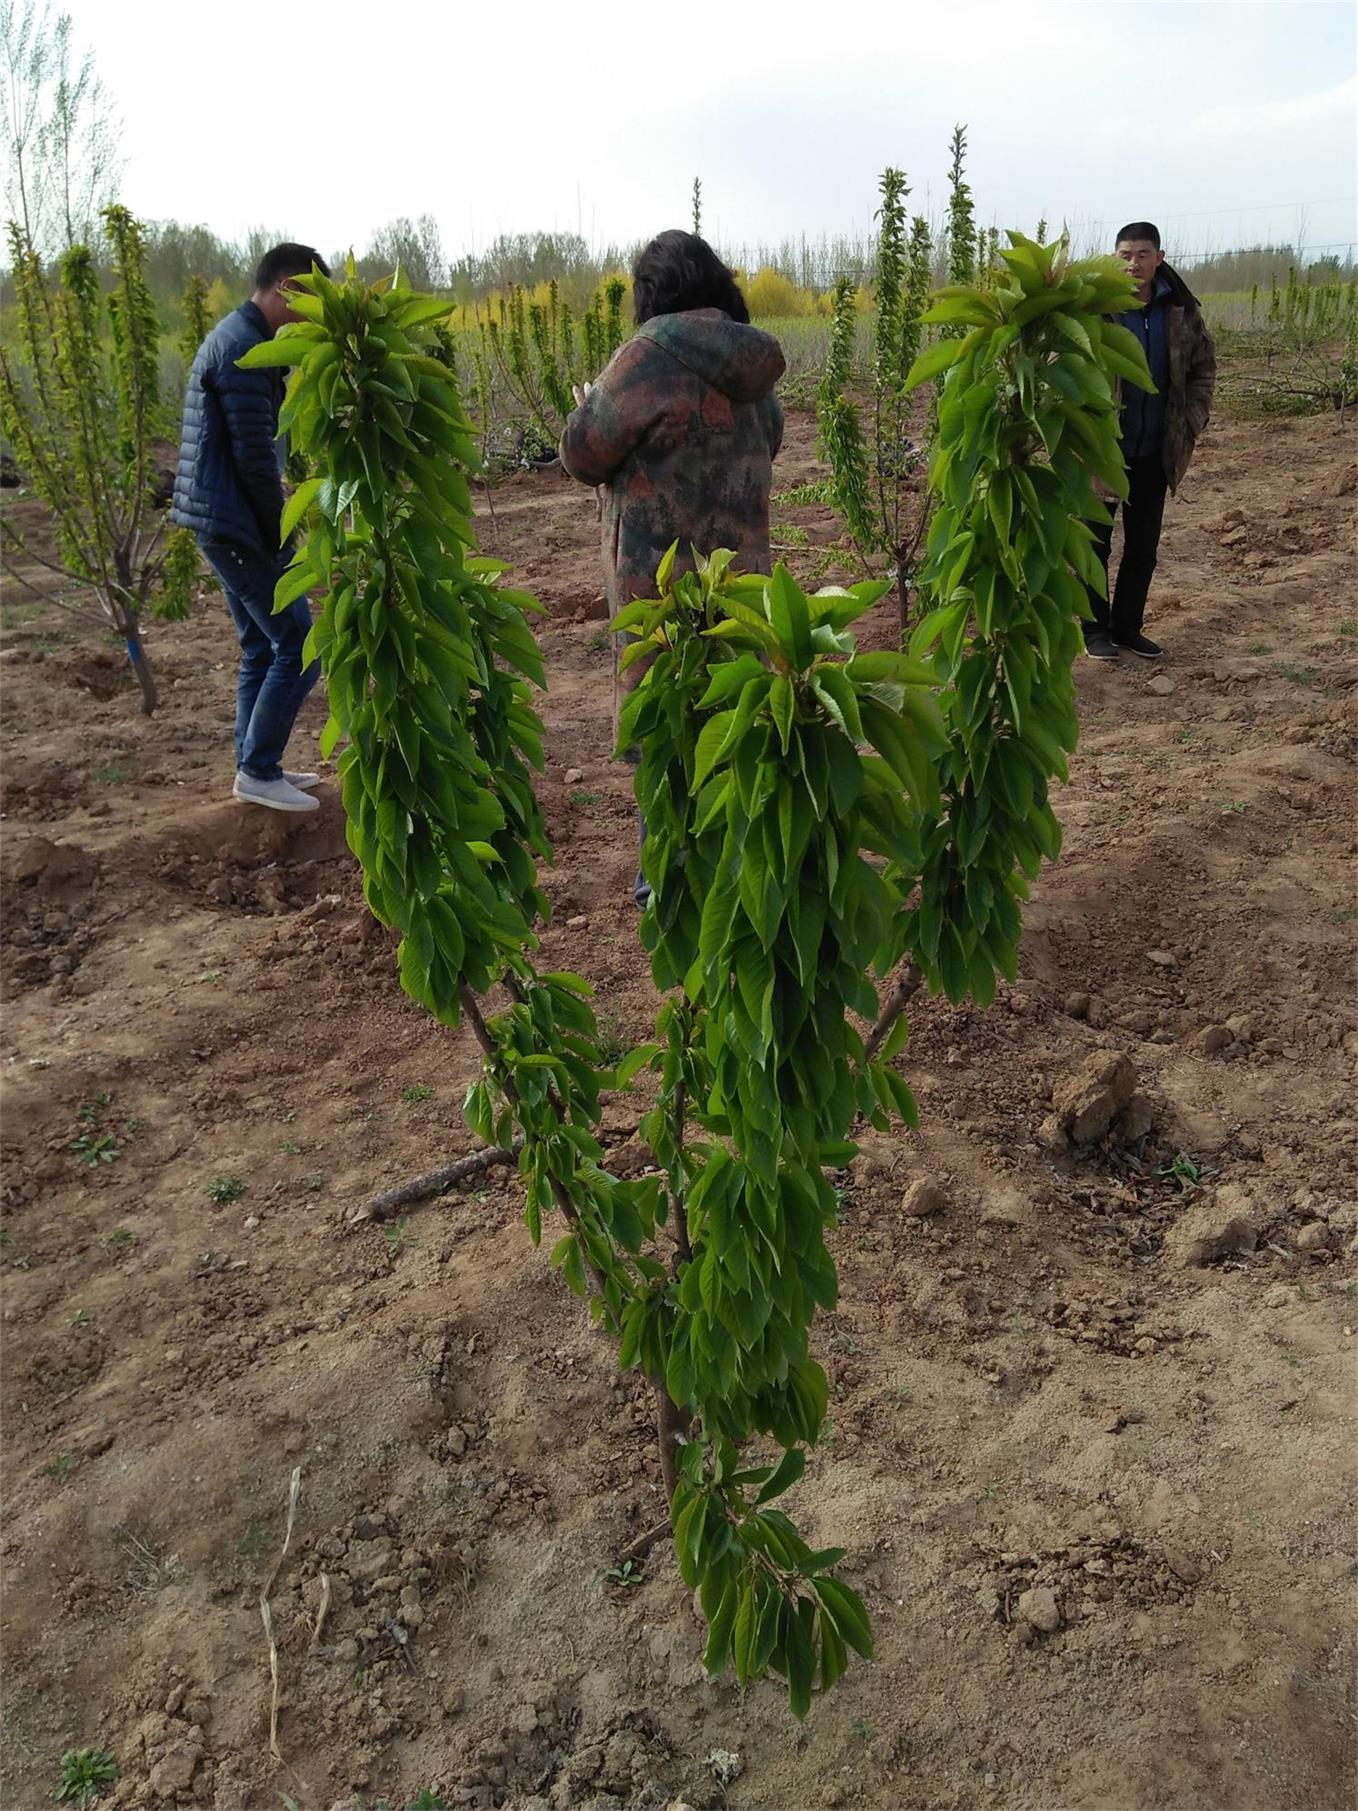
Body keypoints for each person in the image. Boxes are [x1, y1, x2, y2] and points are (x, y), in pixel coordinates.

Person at [559, 230, 785, 902]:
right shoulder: (752, 361)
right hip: (740, 580)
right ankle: (734, 870)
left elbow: (583, 453)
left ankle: (664, 880)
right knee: (731, 712)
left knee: (662, 725)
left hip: (657, 584)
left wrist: (583, 406)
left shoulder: (646, 355)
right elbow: (769, 438)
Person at [171, 243, 331, 811]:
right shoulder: (245, 351)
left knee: (261, 647)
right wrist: (282, 531)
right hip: (236, 523)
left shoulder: (237, 338)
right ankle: (259, 769)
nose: (312, 319)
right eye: (311, 303)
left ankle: (253, 766)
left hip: (218, 517)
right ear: (287, 288)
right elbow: (256, 461)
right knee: (301, 645)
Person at [1085, 220, 1216, 662]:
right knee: (1093, 546)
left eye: (1142, 255)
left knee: (1142, 550)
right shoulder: (1095, 311)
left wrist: (1191, 421)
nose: (1133, 264)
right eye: (1125, 255)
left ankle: (1127, 628)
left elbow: (1204, 369)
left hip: (1154, 451)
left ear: (1159, 258)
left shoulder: (1179, 309)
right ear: (1113, 258)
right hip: (1104, 452)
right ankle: (1094, 632)